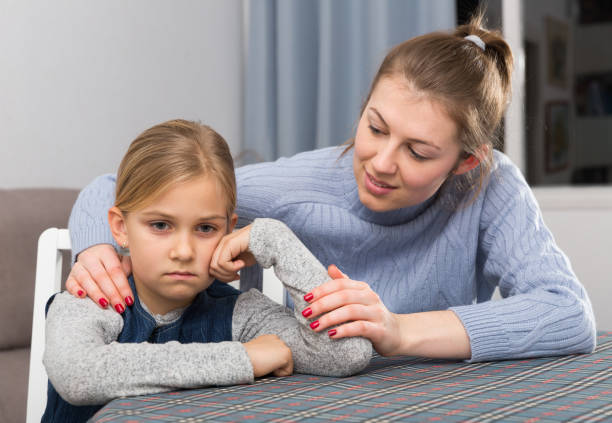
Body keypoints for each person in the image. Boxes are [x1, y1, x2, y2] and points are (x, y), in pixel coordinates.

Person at [64, 15, 596, 364]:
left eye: (418, 151)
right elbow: (110, 188)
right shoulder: (300, 186)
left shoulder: (492, 184)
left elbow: (569, 314)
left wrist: (397, 330)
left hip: (440, 397)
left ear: (465, 162)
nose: (380, 163)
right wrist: (95, 247)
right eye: (375, 127)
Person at [42, 119, 371, 422]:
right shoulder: (91, 298)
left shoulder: (240, 313)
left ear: (229, 231)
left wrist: (273, 238)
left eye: (205, 229)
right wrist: (243, 359)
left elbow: (346, 353)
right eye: (160, 225)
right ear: (120, 227)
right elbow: (77, 374)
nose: (183, 251)